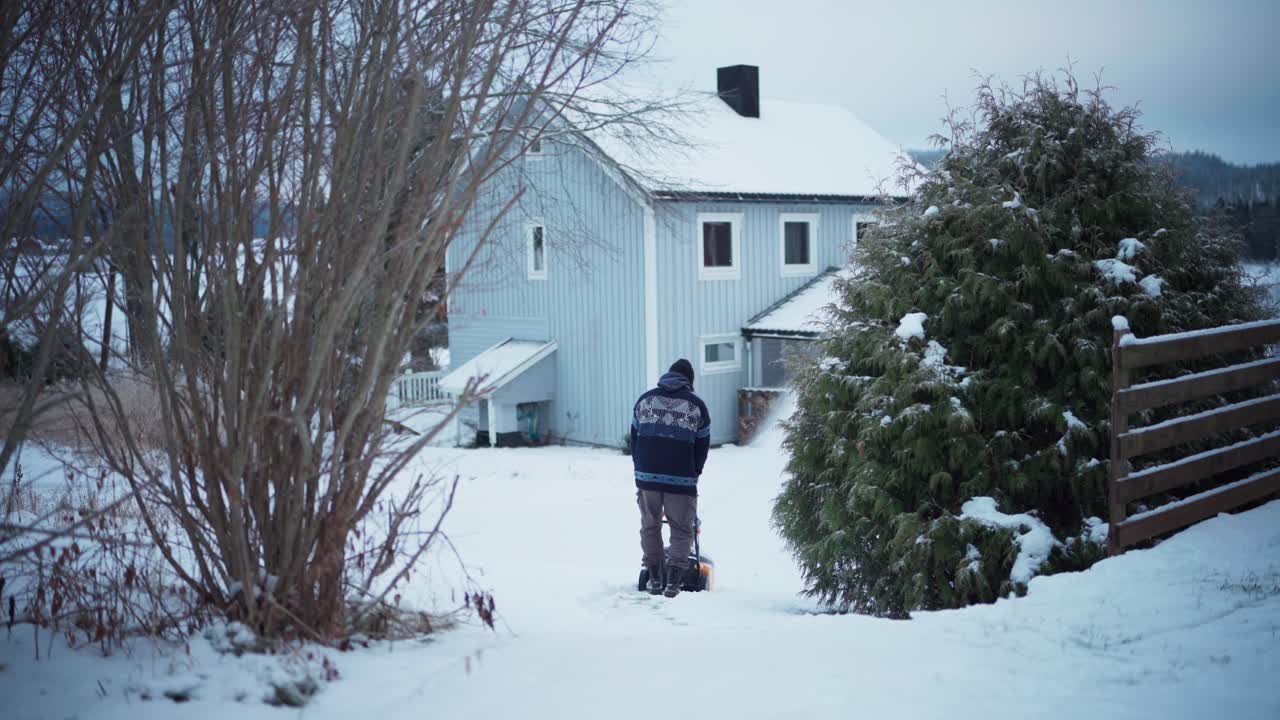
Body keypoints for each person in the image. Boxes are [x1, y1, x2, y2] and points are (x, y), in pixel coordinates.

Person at [630, 358, 710, 598]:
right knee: (681, 528)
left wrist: (640, 467)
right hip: (681, 479)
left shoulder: (645, 400)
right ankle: (673, 582)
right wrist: (694, 471)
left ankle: (655, 578)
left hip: (647, 477)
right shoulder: (696, 406)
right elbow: (702, 445)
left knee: (650, 525)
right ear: (689, 381)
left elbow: (634, 439)